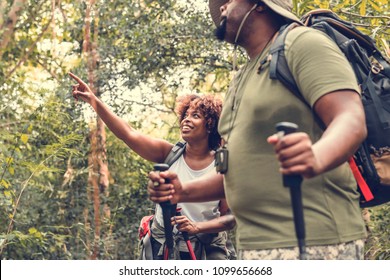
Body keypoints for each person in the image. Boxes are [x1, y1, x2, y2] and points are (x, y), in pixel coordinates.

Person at [147, 0, 368, 260]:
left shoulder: (303, 43)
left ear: (261, 5)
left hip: (316, 241)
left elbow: (351, 118)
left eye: (229, 1)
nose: (221, 8)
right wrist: (182, 191)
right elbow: (232, 172)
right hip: (253, 249)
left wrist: (315, 156)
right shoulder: (239, 80)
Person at [69, 72, 236, 260]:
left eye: (195, 116)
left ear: (210, 125)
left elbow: (230, 218)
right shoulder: (168, 154)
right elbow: (128, 134)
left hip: (203, 249)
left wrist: (196, 227)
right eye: (186, 115)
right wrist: (94, 101)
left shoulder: (221, 165)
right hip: (162, 248)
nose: (186, 120)